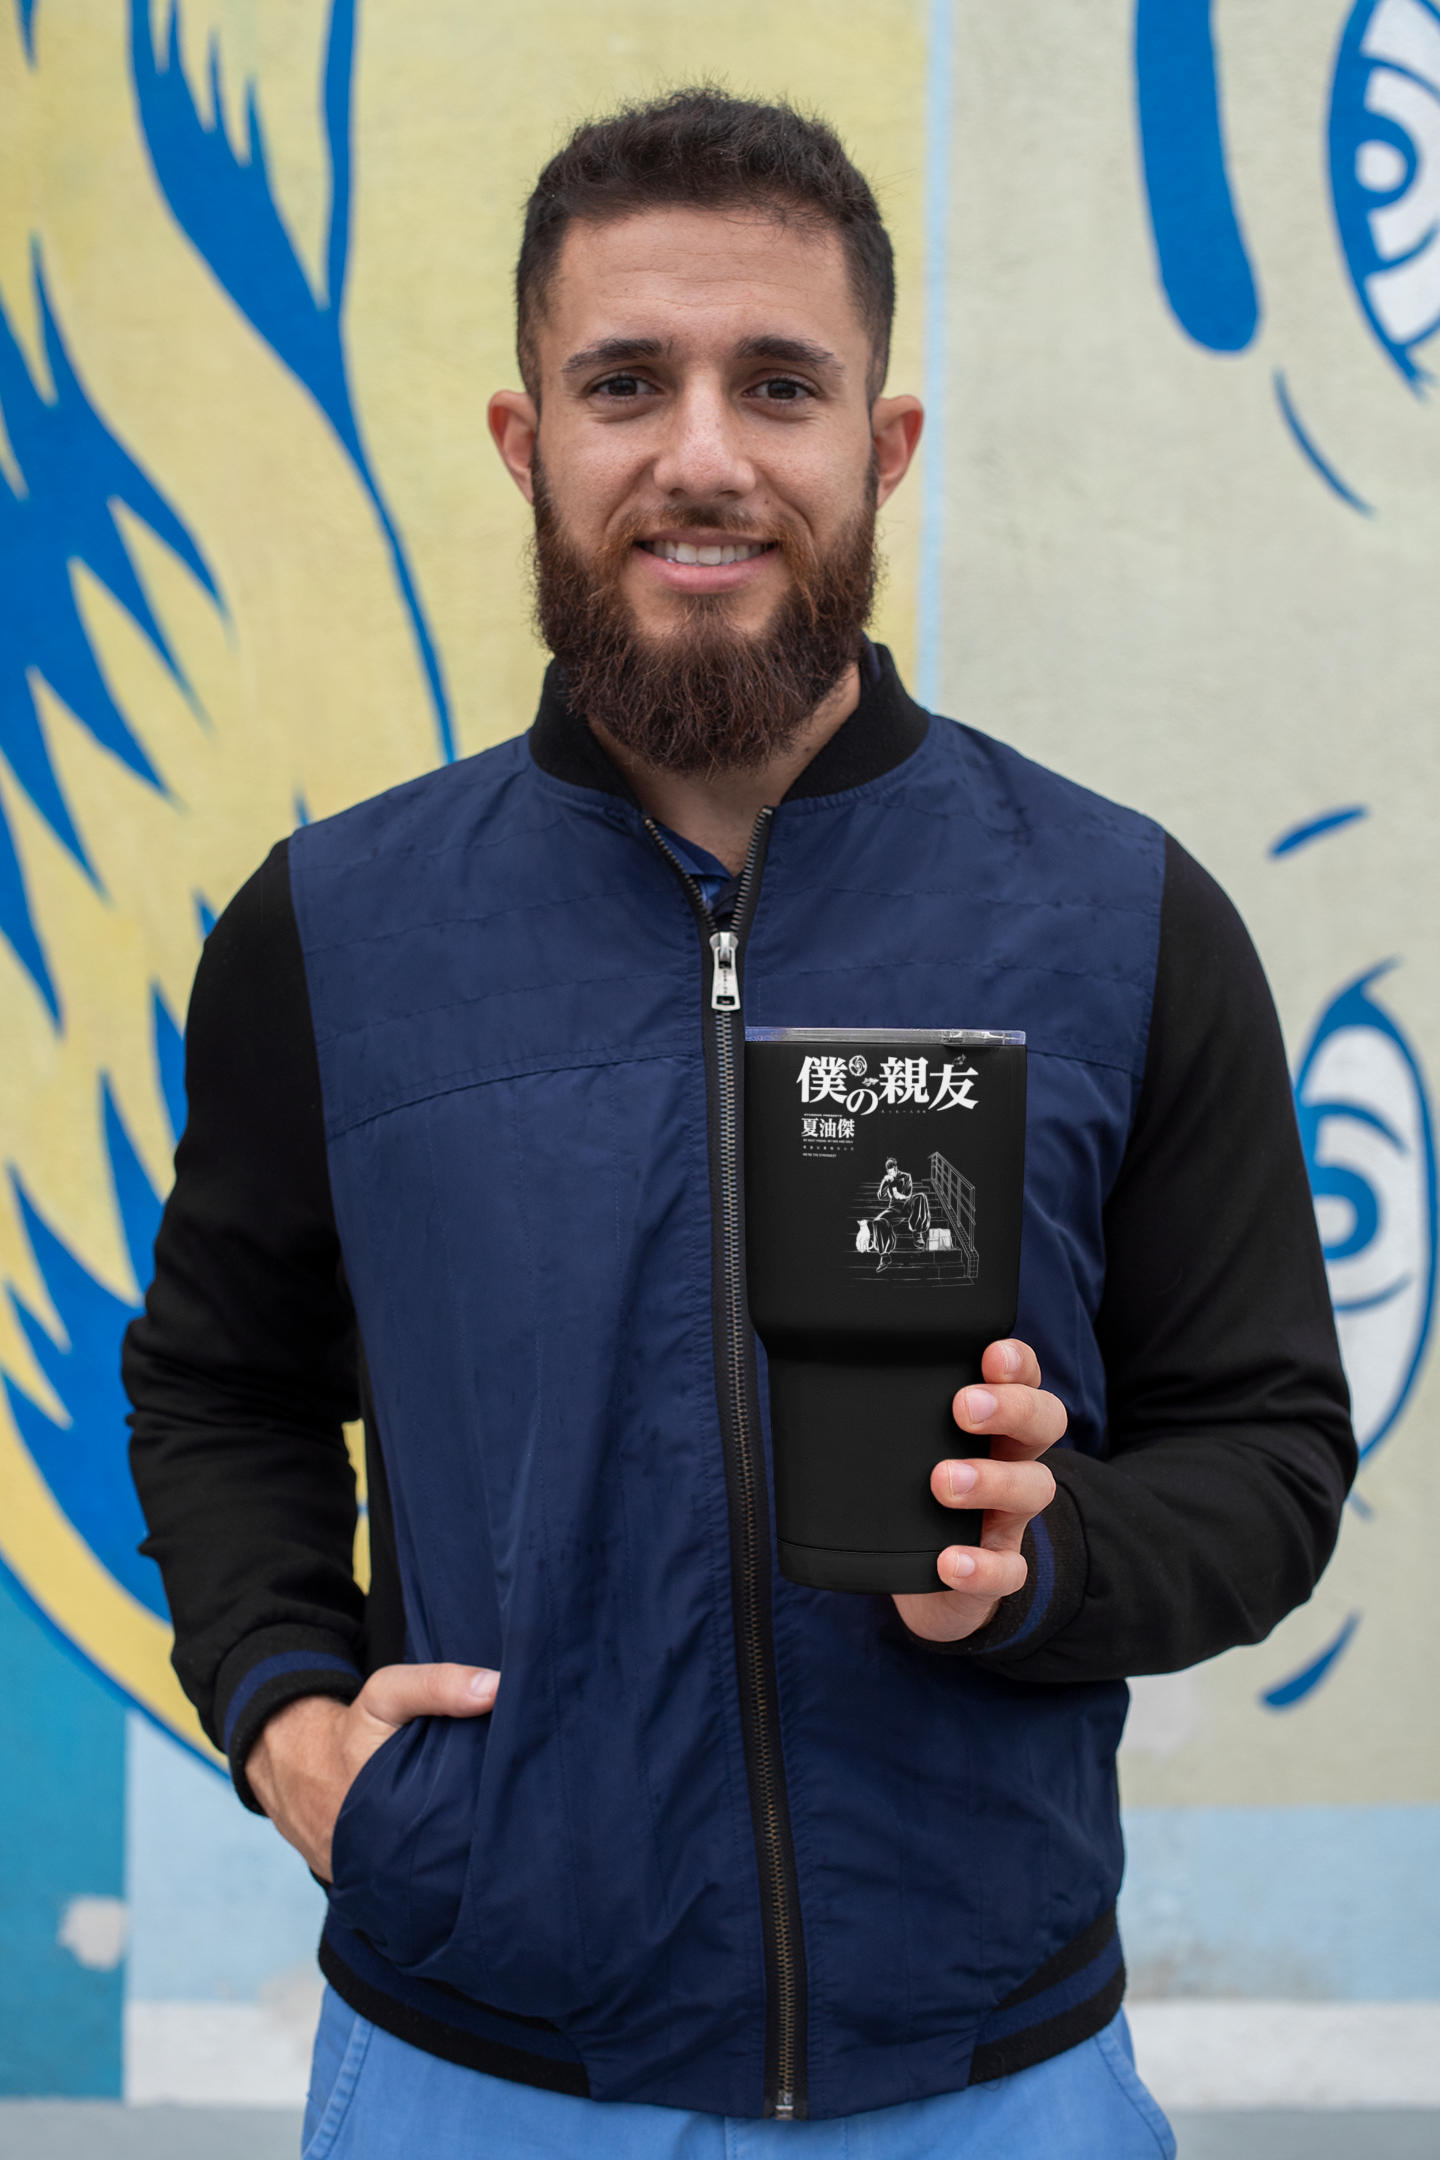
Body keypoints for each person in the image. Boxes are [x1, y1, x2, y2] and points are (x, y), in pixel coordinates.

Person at [124, 89, 1354, 2159]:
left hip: (996, 2085)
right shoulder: (331, 935)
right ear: (530, 445)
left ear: (881, 450)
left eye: (777, 384)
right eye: (627, 384)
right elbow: (216, 1385)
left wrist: (1049, 1564)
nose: (702, 454)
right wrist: (284, 1712)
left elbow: (1270, 1451)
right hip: (474, 2076)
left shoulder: (1121, 917)